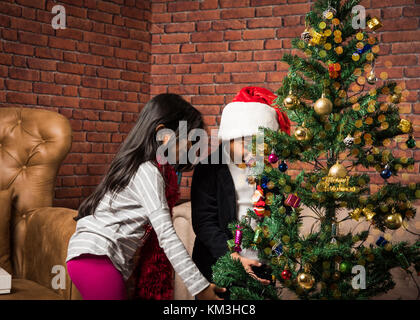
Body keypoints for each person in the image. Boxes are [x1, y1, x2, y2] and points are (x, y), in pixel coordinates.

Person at [66, 93, 225, 300]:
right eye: (189, 139)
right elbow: (166, 235)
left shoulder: (145, 168)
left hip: (92, 258)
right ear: (163, 135)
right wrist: (200, 287)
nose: (191, 147)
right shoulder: (148, 171)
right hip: (95, 258)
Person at [191, 87, 291, 287]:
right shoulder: (209, 169)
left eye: (258, 142)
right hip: (220, 264)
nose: (251, 149)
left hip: (260, 262)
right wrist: (234, 258)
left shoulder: (268, 171)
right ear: (228, 139)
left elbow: (281, 213)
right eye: (244, 141)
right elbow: (204, 223)